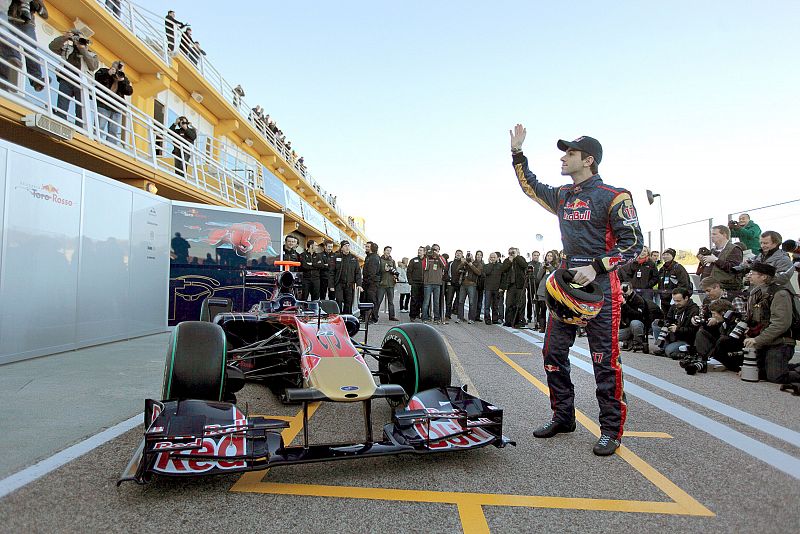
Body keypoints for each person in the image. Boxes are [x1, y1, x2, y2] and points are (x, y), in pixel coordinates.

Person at [510, 124, 644, 456]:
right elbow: (531, 187)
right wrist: (517, 154)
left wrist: (597, 266)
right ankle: (563, 416)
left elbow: (634, 245)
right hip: (566, 282)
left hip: (601, 285)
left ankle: (611, 430)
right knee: (553, 354)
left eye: (570, 153)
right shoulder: (563, 196)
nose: (563, 157)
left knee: (604, 360)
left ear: (588, 160)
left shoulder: (614, 196)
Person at [742, 262, 797, 382]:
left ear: (764, 277)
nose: (749, 276)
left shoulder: (780, 294)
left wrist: (757, 340)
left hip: (780, 342)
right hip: (765, 341)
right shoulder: (755, 293)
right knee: (755, 373)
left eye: (752, 273)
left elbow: (781, 324)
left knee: (776, 377)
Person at [49, 29, 99, 126]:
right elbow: (52, 47)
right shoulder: (67, 48)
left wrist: (83, 49)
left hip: (82, 83)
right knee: (62, 105)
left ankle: (80, 128)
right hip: (66, 79)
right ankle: (60, 122)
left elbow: (93, 66)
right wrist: (65, 37)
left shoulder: (92, 54)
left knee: (81, 109)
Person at [0, 0, 48, 92]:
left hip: (27, 24)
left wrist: (37, 6)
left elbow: (45, 15)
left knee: (31, 48)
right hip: (10, 19)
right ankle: (9, 76)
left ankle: (36, 80)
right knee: (9, 44)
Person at [652, 288, 700, 358]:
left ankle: (684, 350)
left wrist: (677, 329)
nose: (676, 303)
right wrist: (666, 324)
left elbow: (693, 331)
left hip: (686, 339)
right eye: (674, 301)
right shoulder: (674, 307)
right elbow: (668, 319)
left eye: (679, 301)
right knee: (656, 323)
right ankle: (664, 347)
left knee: (669, 351)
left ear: (686, 298)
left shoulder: (694, 310)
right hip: (672, 336)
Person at [94, 60, 133, 144]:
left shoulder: (124, 78)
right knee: (99, 126)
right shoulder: (104, 71)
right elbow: (97, 78)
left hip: (116, 107)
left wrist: (122, 80)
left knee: (114, 131)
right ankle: (96, 142)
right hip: (103, 104)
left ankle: (111, 146)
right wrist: (108, 74)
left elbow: (129, 91)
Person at [698, 225, 743, 292]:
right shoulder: (713, 250)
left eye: (714, 234)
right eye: (711, 234)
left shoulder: (734, 249)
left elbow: (734, 268)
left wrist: (715, 260)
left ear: (724, 235)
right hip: (708, 288)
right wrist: (702, 260)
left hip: (724, 289)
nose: (711, 236)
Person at [655, 248, 691, 317]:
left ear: (672, 256)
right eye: (664, 255)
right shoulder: (662, 269)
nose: (665, 256)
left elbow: (684, 283)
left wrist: (677, 295)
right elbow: (659, 282)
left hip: (674, 299)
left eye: (667, 254)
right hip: (664, 299)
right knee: (666, 317)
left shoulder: (678, 268)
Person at [501, 247, 528, 327]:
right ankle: (509, 321)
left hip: (520, 285)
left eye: (513, 252)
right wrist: (510, 261)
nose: (512, 253)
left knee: (520, 303)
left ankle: (520, 320)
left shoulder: (520, 259)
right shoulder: (507, 260)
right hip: (510, 285)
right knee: (509, 303)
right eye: (510, 252)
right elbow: (504, 269)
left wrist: (516, 257)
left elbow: (524, 265)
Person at [332, 240, 361, 314]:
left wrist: (359, 284)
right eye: (345, 246)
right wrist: (331, 285)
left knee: (348, 302)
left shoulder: (354, 258)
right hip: (339, 284)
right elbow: (331, 272)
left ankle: (347, 318)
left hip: (349, 285)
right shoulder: (336, 257)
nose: (347, 247)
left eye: (348, 246)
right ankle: (339, 316)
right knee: (339, 300)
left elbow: (358, 272)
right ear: (341, 248)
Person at [619, 282, 649, 352]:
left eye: (625, 289)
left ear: (631, 290)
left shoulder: (638, 299)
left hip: (637, 325)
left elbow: (638, 316)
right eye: (621, 290)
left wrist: (625, 305)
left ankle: (638, 343)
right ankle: (627, 341)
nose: (623, 292)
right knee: (611, 336)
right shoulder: (620, 298)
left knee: (635, 323)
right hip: (625, 327)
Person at [536, 250, 560, 332]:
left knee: (553, 310)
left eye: (550, 256)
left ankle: (553, 327)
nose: (549, 257)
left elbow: (555, 275)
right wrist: (543, 268)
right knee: (542, 310)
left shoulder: (557, 265)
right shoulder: (543, 265)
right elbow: (538, 277)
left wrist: (550, 267)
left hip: (552, 291)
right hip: (542, 290)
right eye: (548, 255)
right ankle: (542, 327)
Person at [455, 251, 482, 323]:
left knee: (472, 302)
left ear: (473, 257)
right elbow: (457, 270)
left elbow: (478, 273)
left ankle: (471, 319)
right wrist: (463, 263)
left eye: (470, 257)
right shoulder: (465, 263)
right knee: (460, 301)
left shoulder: (477, 264)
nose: (469, 258)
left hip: (472, 284)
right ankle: (459, 318)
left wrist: (471, 264)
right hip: (463, 284)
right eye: (468, 257)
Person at [422, 245, 447, 323]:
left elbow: (444, 265)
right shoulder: (427, 258)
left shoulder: (441, 258)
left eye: (436, 249)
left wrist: (438, 256)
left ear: (439, 250)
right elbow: (425, 267)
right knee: (426, 301)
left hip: (437, 283)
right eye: (433, 249)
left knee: (436, 302)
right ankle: (425, 318)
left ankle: (437, 318)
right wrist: (427, 256)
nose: (434, 251)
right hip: (428, 283)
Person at [377, 246, 399, 321]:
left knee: (391, 301)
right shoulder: (380, 259)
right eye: (387, 250)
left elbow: (395, 270)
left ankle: (392, 316)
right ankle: (374, 316)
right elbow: (377, 270)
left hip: (390, 283)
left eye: (390, 250)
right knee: (378, 300)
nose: (388, 252)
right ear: (384, 251)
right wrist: (384, 269)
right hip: (382, 283)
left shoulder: (392, 261)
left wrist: (395, 274)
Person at [361, 242, 381, 323]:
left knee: (372, 300)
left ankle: (373, 318)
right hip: (367, 282)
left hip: (371, 283)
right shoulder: (368, 257)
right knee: (364, 299)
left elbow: (372, 272)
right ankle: (364, 317)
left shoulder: (374, 258)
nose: (366, 248)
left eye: (368, 247)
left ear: (372, 248)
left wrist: (368, 281)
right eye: (366, 246)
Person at [482, 252, 503, 325]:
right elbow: (487, 272)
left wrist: (501, 287)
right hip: (488, 288)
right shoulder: (486, 266)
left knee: (495, 305)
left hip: (497, 288)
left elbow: (503, 277)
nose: (493, 259)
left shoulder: (501, 266)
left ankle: (495, 319)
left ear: (497, 258)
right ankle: (487, 319)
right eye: (491, 257)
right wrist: (491, 264)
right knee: (487, 305)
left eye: (494, 257)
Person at [406, 246, 425, 321]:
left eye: (421, 250)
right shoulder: (413, 260)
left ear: (424, 252)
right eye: (418, 250)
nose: (419, 251)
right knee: (414, 299)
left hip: (424, 283)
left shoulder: (426, 261)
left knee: (421, 300)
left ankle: (418, 314)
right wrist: (410, 281)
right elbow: (409, 271)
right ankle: (412, 315)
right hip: (415, 283)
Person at [445, 250, 464, 320]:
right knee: (449, 300)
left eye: (460, 253)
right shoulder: (450, 263)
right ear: (455, 254)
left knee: (460, 301)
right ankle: (447, 315)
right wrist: (449, 280)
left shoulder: (464, 263)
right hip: (451, 284)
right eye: (457, 253)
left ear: (462, 255)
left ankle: (458, 315)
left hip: (460, 285)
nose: (458, 254)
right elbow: (446, 272)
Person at [526, 251, 543, 326]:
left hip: (538, 285)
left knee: (538, 302)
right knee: (530, 301)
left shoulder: (540, 265)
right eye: (534, 255)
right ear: (532, 256)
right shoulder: (528, 264)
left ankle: (537, 317)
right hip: (530, 285)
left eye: (537, 255)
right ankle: (529, 316)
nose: (536, 256)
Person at [474, 250, 485, 320]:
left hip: (481, 285)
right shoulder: (473, 263)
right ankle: (473, 315)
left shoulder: (484, 264)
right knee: (474, 301)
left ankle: (477, 316)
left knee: (480, 301)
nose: (479, 256)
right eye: (477, 254)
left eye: (480, 255)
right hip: (474, 284)